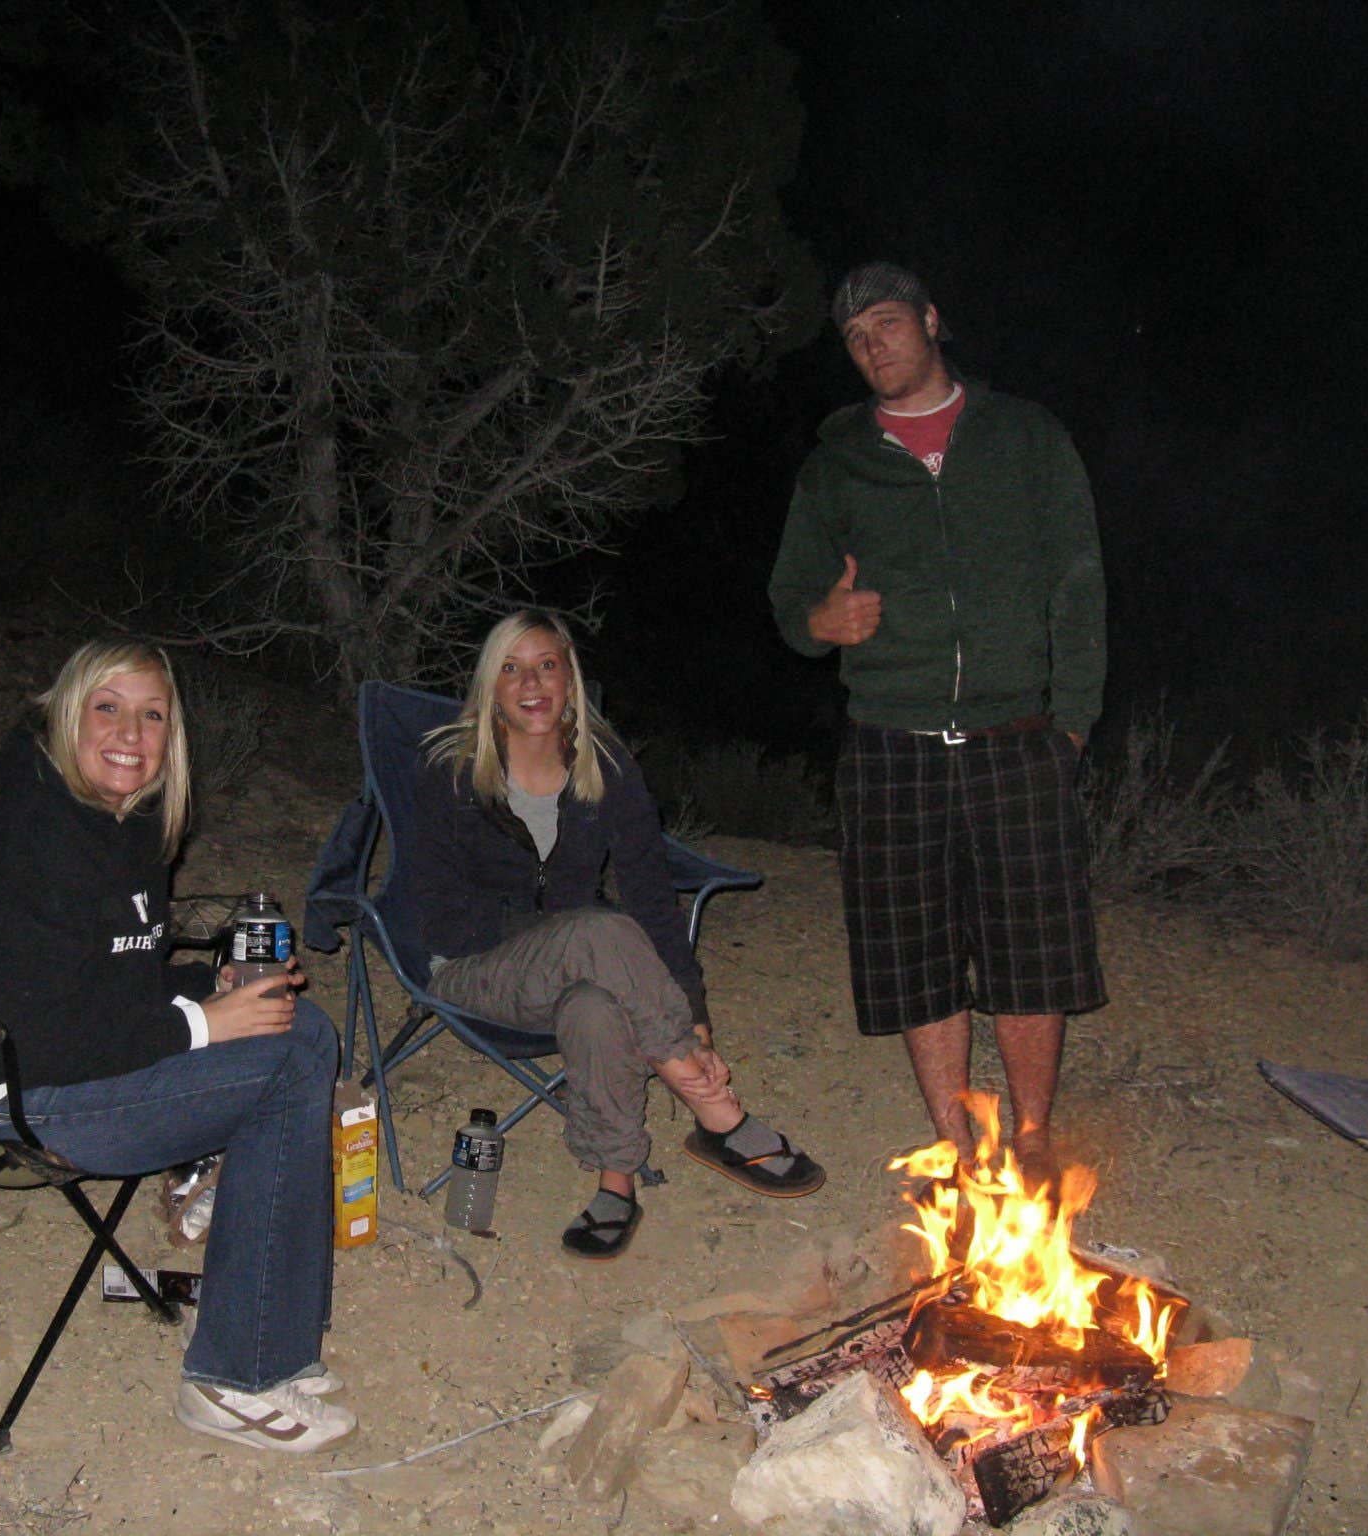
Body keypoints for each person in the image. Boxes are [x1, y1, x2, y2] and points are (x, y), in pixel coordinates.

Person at [0, 639, 352, 1453]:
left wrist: (209, 986)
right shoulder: (16, 837)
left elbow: (107, 977)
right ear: (66, 717)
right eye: (108, 708)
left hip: (47, 1056)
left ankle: (267, 1329)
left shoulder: (124, 825)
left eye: (152, 715)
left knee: (293, 1025)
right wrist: (201, 1026)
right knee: (288, 1059)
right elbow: (34, 1033)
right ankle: (236, 1377)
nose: (131, 733)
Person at [767, 261, 1107, 1186]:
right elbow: (791, 599)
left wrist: (1073, 723)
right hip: (892, 741)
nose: (872, 345)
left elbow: (1079, 584)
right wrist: (820, 622)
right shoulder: (838, 463)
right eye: (854, 337)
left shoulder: (1025, 437)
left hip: (1017, 735)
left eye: (885, 323)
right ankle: (958, 1147)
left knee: (1031, 953)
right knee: (918, 954)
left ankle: (1030, 1138)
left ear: (929, 321)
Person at [405, 610, 824, 1261]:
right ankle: (718, 1115)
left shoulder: (608, 771)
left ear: (569, 680)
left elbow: (653, 902)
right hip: (471, 967)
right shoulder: (450, 773)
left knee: (596, 1002)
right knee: (596, 934)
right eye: (512, 669)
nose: (532, 684)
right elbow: (435, 912)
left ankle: (616, 1185)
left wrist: (697, 1018)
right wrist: (556, 934)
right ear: (491, 687)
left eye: (547, 666)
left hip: (578, 966)